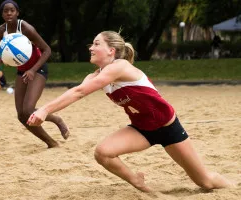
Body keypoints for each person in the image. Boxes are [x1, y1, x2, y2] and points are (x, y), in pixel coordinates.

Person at [27, 31, 233, 192]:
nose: (91, 47)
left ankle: (233, 189)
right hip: (142, 129)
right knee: (103, 153)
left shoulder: (120, 66)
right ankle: (137, 181)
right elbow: (75, 93)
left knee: (205, 181)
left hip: (168, 127)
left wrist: (44, 110)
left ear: (111, 51)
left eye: (97, 43)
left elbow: (79, 92)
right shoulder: (95, 76)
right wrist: (47, 112)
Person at [0, 0, 69, 147]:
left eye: (12, 10)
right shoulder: (0, 31)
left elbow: (47, 50)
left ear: (17, 12)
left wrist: (33, 70)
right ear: (2, 13)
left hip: (38, 69)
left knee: (28, 109)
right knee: (22, 116)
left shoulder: (25, 28)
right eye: (5, 11)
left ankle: (57, 120)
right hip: (22, 71)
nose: (9, 13)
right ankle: (51, 143)